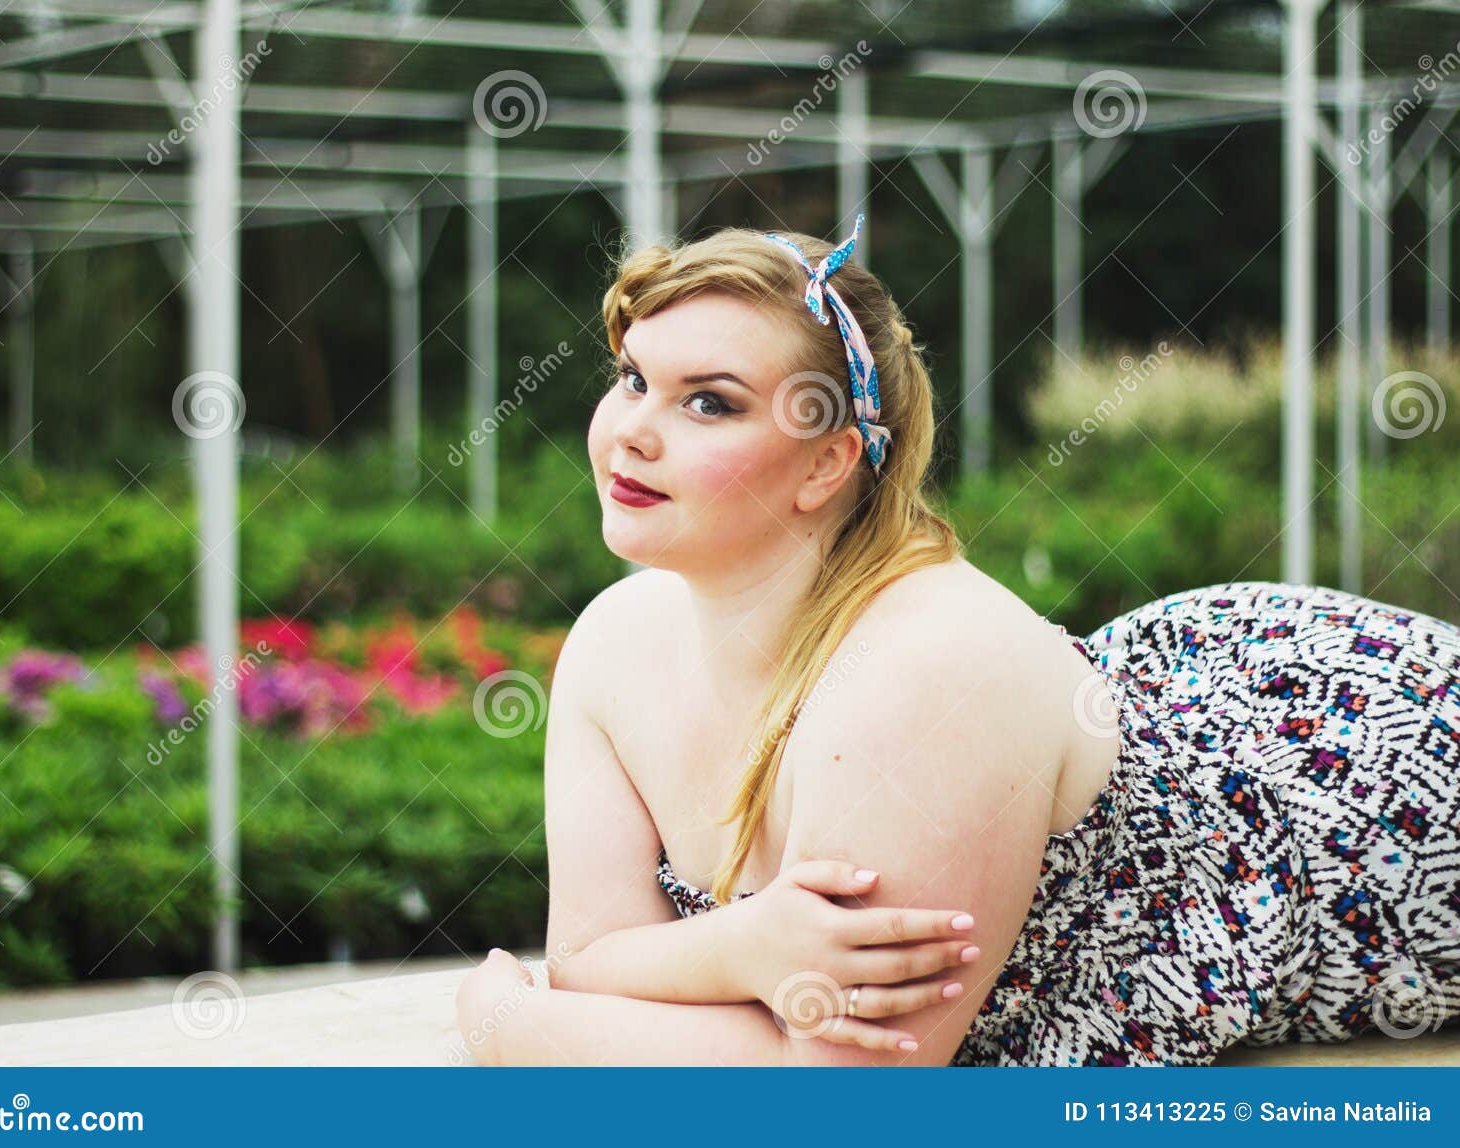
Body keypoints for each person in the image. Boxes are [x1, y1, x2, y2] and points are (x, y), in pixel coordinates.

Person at [454, 216, 1460, 1066]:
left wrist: (518, 1031)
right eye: (632, 378)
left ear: (826, 465)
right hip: (1154, 693)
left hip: (1371, 776)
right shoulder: (613, 642)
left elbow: (841, 1089)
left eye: (707, 400)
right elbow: (590, 950)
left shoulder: (921, 672)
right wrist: (747, 946)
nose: (630, 429)